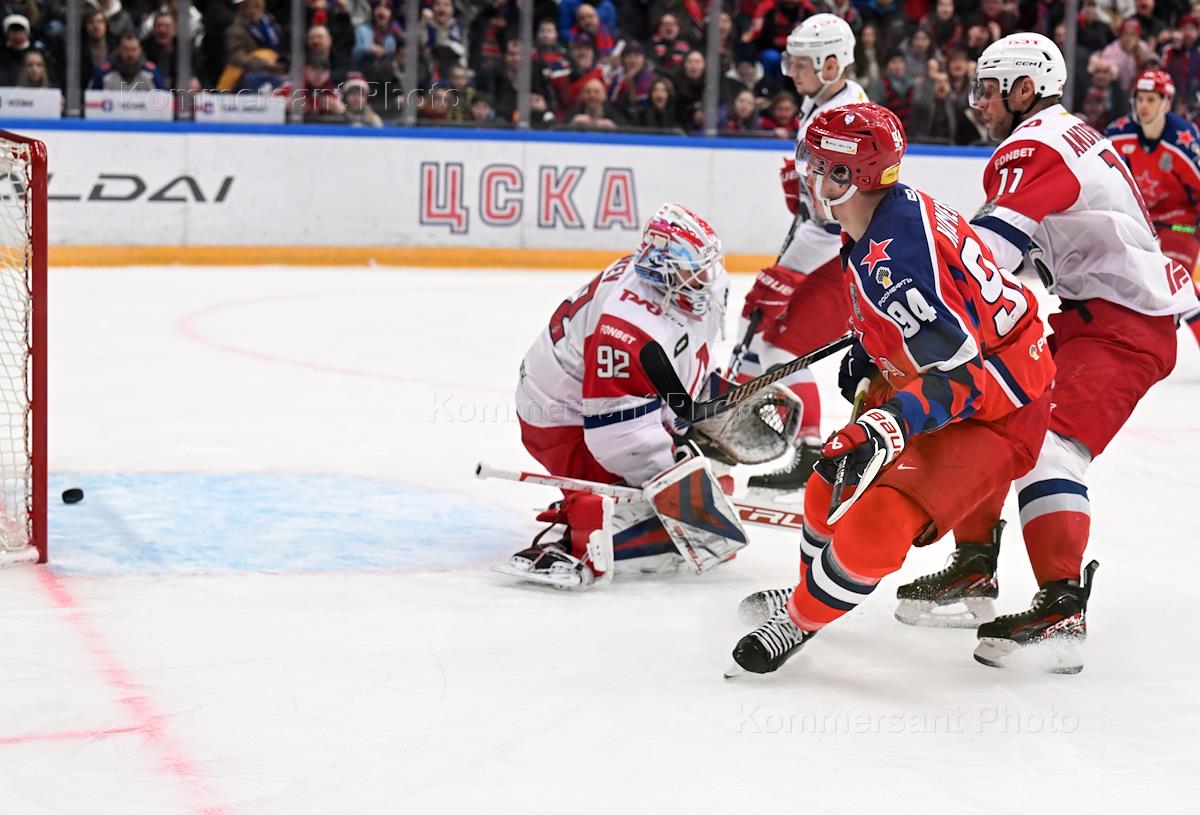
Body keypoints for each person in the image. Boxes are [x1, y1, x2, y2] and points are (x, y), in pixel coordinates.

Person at [899, 34, 1198, 672]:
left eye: (989, 89)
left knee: (1050, 447)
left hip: (1124, 327)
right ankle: (974, 566)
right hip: (1096, 317)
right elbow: (994, 250)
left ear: (1025, 90)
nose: (979, 102)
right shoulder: (1061, 136)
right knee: (991, 408)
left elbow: (988, 253)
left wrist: (908, 303)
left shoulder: (1035, 145)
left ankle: (1062, 605)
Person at [729, 102, 1055, 675]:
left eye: (822, 166)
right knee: (830, 478)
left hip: (999, 404)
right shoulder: (882, 218)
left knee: (880, 519)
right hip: (941, 374)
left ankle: (800, 619)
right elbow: (931, 318)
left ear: (852, 176)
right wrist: (869, 347)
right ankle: (811, 592)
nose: (810, 175)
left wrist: (888, 424)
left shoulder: (896, 260)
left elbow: (963, 376)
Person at [504, 204, 747, 589]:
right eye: (692, 270)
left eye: (707, 264)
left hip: (601, 397)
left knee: (692, 496)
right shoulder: (626, 330)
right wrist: (670, 480)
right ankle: (576, 539)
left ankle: (588, 501)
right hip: (561, 420)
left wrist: (696, 408)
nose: (705, 277)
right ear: (663, 272)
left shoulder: (674, 287)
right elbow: (618, 437)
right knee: (683, 534)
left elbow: (681, 349)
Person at [735, 14, 869, 493]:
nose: (791, 71)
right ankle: (761, 434)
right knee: (761, 340)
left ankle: (811, 453)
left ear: (832, 64)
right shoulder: (822, 102)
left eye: (801, 63)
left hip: (838, 253)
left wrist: (789, 271)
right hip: (825, 245)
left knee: (780, 348)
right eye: (790, 62)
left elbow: (836, 216)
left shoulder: (847, 118)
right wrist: (804, 193)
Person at [1105, 70, 1200, 346]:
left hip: (1180, 224)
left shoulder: (1184, 141)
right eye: (1140, 99)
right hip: (1138, 224)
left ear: (1166, 103)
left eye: (1151, 99)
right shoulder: (1117, 134)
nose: (1143, 106)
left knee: (1175, 284)